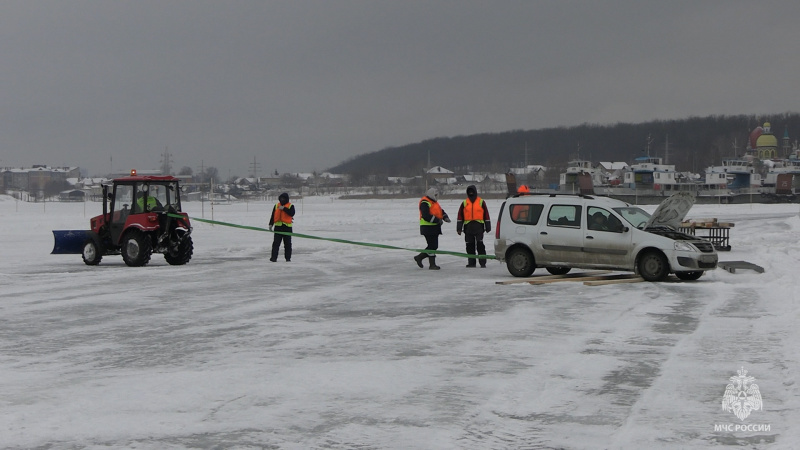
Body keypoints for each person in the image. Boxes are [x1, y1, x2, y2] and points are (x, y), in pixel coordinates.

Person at [414, 187, 450, 270]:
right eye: (435, 195)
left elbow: (440, 211)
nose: (437, 196)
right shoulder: (425, 202)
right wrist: (437, 220)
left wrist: (445, 217)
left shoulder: (434, 202)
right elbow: (426, 215)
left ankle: (420, 257)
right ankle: (431, 264)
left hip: (434, 227)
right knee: (432, 246)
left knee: (433, 246)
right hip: (427, 227)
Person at [457, 185, 491, 268]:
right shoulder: (464, 203)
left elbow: (486, 215)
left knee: (480, 245)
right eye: (469, 192)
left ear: (475, 192)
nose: (471, 193)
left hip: (479, 226)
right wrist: (459, 228)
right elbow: (460, 216)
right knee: (470, 246)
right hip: (468, 227)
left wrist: (488, 226)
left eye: (472, 191)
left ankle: (482, 262)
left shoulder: (481, 202)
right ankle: (471, 262)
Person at [269, 192, 296, 262]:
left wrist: (284, 208)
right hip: (278, 227)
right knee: (276, 244)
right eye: (281, 198)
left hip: (287, 228)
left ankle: (288, 258)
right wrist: (270, 224)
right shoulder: (276, 205)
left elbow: (292, 213)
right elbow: (273, 216)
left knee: (287, 245)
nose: (282, 200)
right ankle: (273, 258)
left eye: (283, 198)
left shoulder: (291, 206)